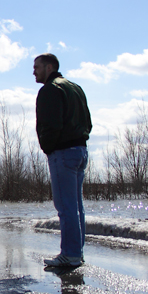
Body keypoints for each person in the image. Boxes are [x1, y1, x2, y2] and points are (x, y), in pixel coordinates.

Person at [34, 53, 92, 267]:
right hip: (80, 151)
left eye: (37, 67)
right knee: (76, 206)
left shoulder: (50, 90)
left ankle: (70, 255)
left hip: (63, 152)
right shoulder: (75, 88)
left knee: (66, 207)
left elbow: (50, 124)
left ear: (49, 67)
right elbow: (88, 121)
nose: (34, 71)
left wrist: (49, 147)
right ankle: (77, 253)